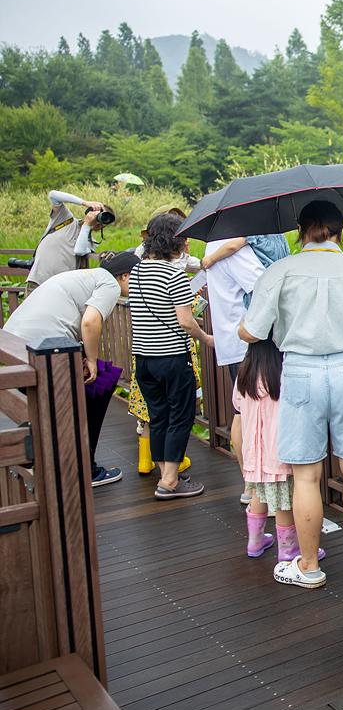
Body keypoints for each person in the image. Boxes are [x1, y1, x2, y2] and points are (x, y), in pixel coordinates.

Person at [240, 200, 343, 590]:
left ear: (300, 231)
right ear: (340, 232)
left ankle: (308, 565)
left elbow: (253, 330)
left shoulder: (280, 270)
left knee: (305, 476)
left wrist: (243, 328)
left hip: (301, 372)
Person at [3, 251, 140, 486]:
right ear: (125, 276)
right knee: (99, 384)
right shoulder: (109, 284)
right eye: (139, 280)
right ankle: (85, 469)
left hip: (15, 345)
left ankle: (50, 451)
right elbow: (90, 321)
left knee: (92, 384)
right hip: (42, 349)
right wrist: (91, 361)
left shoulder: (88, 276)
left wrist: (87, 357)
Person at [129, 213, 213, 500]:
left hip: (144, 360)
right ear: (175, 241)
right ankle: (168, 482)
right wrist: (206, 338)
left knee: (158, 415)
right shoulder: (173, 275)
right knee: (181, 415)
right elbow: (185, 321)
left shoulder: (137, 271)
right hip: (172, 357)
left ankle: (168, 474)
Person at [233, 337, 325, 565]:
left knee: (259, 493)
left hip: (254, 453)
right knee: (284, 501)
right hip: (278, 452)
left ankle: (255, 541)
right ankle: (288, 549)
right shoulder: (281, 375)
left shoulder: (244, 374)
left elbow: (237, 404)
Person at [200, 234, 270, 504]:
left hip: (232, 341)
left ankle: (250, 486)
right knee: (252, 415)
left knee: (242, 411)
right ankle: (255, 489)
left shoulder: (213, 244)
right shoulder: (233, 248)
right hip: (247, 343)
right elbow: (262, 284)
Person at [26, 190, 113, 292]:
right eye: (100, 214)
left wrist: (87, 225)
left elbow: (79, 250)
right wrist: (85, 203)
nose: (100, 220)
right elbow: (53, 195)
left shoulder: (91, 242)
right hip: (38, 282)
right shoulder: (65, 219)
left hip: (60, 289)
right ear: (90, 211)